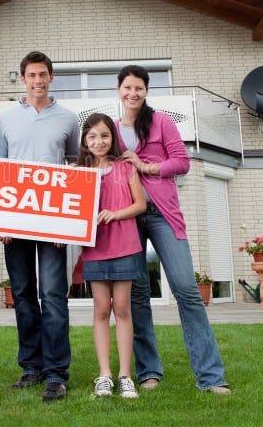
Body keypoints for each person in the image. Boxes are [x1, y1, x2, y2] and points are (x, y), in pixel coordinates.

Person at [116, 65, 231, 395]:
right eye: (127, 88)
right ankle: (148, 371)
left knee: (186, 290)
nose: (133, 93)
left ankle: (210, 376)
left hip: (163, 214)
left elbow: (181, 161)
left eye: (139, 88)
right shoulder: (111, 128)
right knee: (137, 296)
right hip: (128, 217)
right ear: (118, 91)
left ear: (146, 91)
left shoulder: (161, 122)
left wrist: (145, 166)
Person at [0, 51, 80, 403]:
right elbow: (0, 168)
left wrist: (67, 226)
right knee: (24, 294)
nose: (38, 80)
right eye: (31, 75)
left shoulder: (69, 119)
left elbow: (75, 170)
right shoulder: (6, 119)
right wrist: (0, 220)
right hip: (15, 221)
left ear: (51, 77)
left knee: (54, 296)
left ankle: (56, 373)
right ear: (23, 79)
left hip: (53, 223)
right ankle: (31, 366)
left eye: (43, 74)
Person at [76, 113, 145, 398]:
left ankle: (125, 375)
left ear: (112, 137)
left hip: (125, 247)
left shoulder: (126, 167)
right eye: (92, 136)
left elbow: (140, 204)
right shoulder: (78, 171)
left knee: (123, 309)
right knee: (101, 309)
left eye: (104, 135)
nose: (99, 141)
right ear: (84, 141)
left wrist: (116, 214)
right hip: (95, 249)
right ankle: (104, 375)